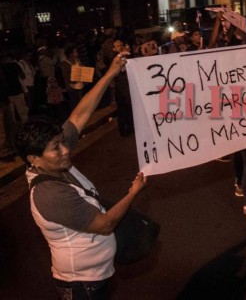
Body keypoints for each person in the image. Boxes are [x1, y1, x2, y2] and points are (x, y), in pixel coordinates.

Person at [15, 51, 147, 300]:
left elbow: (79, 115)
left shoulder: (51, 162)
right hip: (82, 284)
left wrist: (109, 74)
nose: (66, 150)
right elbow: (105, 224)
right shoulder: (49, 194)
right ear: (34, 158)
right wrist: (134, 193)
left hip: (98, 275)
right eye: (56, 147)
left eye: (62, 143)